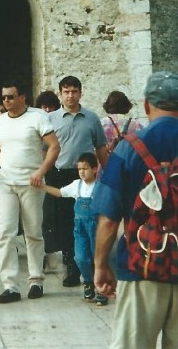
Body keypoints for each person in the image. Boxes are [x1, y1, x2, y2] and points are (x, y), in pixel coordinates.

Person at [93, 71, 178, 349]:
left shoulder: (129, 148)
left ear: (145, 105)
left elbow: (108, 218)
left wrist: (101, 265)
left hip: (143, 265)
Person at [0, 80, 60, 303]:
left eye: (11, 97)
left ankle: (36, 280)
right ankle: (10, 286)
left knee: (33, 232)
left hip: (32, 183)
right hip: (7, 182)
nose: (6, 101)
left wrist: (41, 171)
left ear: (22, 97)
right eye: (4, 97)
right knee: (5, 232)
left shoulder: (37, 117)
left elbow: (54, 146)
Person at [47, 76, 108, 286]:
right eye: (66, 92)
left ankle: (92, 265)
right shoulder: (51, 119)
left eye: (74, 91)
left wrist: (107, 175)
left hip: (86, 176)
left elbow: (100, 148)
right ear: (60, 94)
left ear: (80, 93)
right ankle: (71, 267)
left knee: (89, 220)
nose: (70, 95)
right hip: (61, 175)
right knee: (65, 222)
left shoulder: (91, 118)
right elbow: (44, 149)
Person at [39, 152, 107, 305]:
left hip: (97, 229)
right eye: (79, 169)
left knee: (99, 259)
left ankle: (101, 288)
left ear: (95, 169)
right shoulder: (77, 185)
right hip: (80, 230)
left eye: (86, 168)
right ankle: (88, 282)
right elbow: (59, 193)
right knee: (81, 258)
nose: (82, 172)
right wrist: (42, 186)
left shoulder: (101, 187)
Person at [35, 88, 61, 262]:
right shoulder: (37, 123)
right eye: (44, 107)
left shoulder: (56, 123)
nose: (47, 111)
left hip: (56, 170)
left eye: (51, 107)